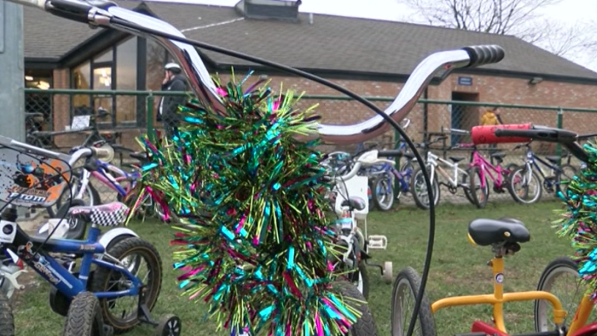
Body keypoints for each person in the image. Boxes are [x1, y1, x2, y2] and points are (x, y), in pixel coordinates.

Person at [157, 62, 188, 138]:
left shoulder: (178, 83)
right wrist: (164, 84)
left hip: (172, 117)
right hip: (168, 117)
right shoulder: (172, 83)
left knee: (173, 138)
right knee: (169, 137)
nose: (165, 74)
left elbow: (176, 100)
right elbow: (165, 95)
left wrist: (167, 111)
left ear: (170, 72)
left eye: (166, 72)